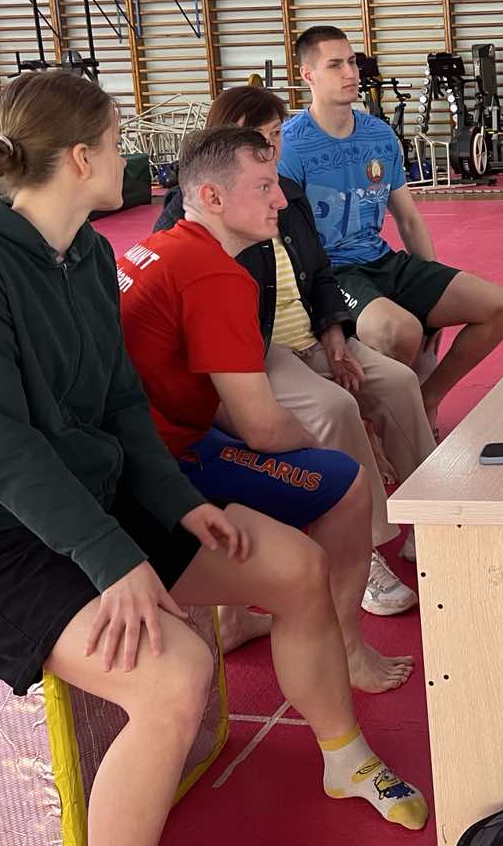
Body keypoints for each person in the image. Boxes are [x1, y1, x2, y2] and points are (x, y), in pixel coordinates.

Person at [0, 70, 429, 845]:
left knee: (297, 568)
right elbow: (2, 451)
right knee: (175, 677)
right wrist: (113, 560)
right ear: (81, 158)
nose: (131, 158)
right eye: (118, 142)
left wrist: (180, 503)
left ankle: (342, 756)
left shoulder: (84, 254)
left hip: (93, 501)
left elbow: (122, 405)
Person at [117, 125, 415, 694]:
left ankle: (234, 621)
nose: (281, 199)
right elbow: (261, 427)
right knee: (349, 482)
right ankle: (348, 648)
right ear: (212, 197)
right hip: (160, 466)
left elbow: (226, 408)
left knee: (284, 458)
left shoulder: (156, 249)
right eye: (263, 186)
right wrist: (338, 449)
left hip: (142, 445)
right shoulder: (215, 274)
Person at [155, 86, 435, 615]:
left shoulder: (286, 192)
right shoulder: (190, 220)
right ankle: (365, 550)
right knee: (336, 409)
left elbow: (321, 271)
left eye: (277, 135)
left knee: (398, 382)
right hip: (262, 349)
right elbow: (211, 325)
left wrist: (334, 334)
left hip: (311, 334)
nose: (273, 149)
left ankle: (431, 515)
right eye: (259, 138)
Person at [279, 25, 503, 432]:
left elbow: (407, 217)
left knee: (502, 307)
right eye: (335, 65)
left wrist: (432, 290)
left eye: (352, 62)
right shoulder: (291, 145)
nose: (350, 73)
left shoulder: (378, 135)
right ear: (308, 76)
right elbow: (288, 240)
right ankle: (379, 424)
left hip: (381, 259)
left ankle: (428, 398)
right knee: (401, 331)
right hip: (331, 271)